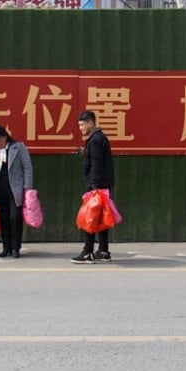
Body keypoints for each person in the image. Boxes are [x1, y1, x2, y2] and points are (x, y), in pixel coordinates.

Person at [0, 125, 34, 258]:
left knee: (15, 217)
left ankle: (16, 247)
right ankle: (6, 247)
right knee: (3, 218)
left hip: (15, 188)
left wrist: (27, 186)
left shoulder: (18, 147)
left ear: (5, 137)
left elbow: (27, 167)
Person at [71, 110, 114, 263]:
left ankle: (87, 252)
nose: (80, 128)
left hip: (96, 186)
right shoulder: (99, 138)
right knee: (101, 218)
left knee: (89, 217)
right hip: (103, 185)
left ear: (90, 122)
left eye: (82, 124)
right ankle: (103, 251)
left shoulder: (95, 140)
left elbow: (96, 165)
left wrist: (94, 188)